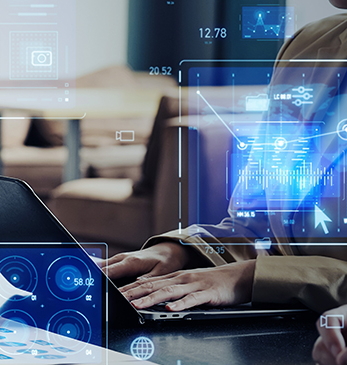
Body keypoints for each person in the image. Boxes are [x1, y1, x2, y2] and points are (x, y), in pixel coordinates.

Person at [101, 7, 347, 313]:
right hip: (277, 330)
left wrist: (252, 277)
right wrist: (186, 251)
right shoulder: (308, 45)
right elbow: (257, 227)